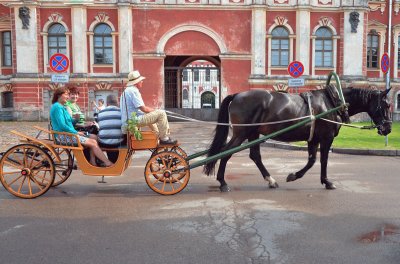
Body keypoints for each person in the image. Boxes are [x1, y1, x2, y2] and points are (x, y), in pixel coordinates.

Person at [50, 87, 114, 167]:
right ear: (59, 95)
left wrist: (76, 119)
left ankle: (93, 161)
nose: (68, 97)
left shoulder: (61, 107)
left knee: (94, 137)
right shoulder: (57, 107)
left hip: (68, 134)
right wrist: (76, 132)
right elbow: (62, 125)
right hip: (63, 136)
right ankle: (107, 162)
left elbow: (69, 122)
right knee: (93, 143)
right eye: (66, 94)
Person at [120, 70, 177, 145]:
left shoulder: (126, 91)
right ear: (137, 82)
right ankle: (164, 138)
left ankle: (157, 137)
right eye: (141, 81)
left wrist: (153, 111)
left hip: (128, 122)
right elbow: (144, 109)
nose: (142, 82)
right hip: (133, 121)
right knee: (161, 113)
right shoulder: (134, 91)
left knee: (150, 117)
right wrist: (156, 110)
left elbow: (142, 110)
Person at [97, 94, 126, 162]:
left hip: (103, 142)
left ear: (107, 103)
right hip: (118, 143)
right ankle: (117, 161)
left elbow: (100, 126)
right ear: (117, 102)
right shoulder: (122, 112)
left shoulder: (100, 113)